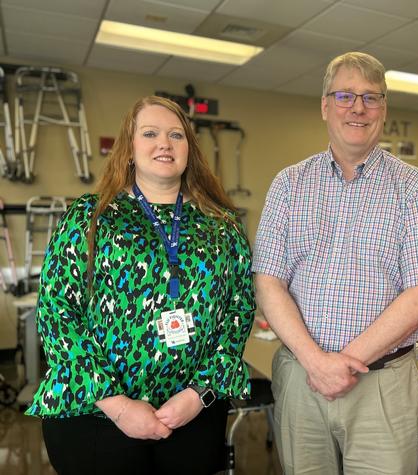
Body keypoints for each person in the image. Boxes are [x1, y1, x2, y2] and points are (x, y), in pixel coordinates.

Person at [253, 51, 418, 474]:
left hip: (382, 385)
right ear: (325, 105)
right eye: (345, 95)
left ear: (384, 110)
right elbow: (268, 283)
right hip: (301, 378)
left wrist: (342, 364)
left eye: (371, 97)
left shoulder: (412, 187)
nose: (358, 107)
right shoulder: (289, 184)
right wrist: (316, 362)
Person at [26, 96, 255, 475]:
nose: (164, 143)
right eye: (149, 133)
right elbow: (56, 313)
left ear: (189, 150)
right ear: (129, 149)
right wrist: (117, 405)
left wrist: (199, 395)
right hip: (95, 417)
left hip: (192, 416)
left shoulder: (223, 224)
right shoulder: (90, 216)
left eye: (176, 135)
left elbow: (239, 311)